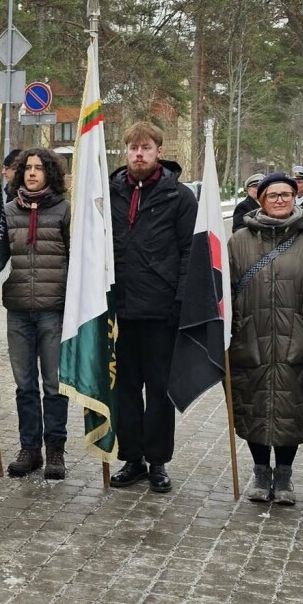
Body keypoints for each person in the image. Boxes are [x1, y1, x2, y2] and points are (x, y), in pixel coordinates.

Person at [228, 172, 303, 504]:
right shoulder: (239, 242)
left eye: (286, 194)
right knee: (255, 407)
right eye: (272, 195)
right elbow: (222, 291)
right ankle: (261, 472)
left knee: (291, 409)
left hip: (300, 343)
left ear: (295, 197)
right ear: (260, 200)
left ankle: (284, 477)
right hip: (252, 340)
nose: (280, 200)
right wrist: (223, 333)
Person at [108, 121, 197, 493]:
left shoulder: (179, 197)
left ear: (159, 151)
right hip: (119, 312)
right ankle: (132, 458)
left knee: (159, 390)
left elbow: (190, 252)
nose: (139, 154)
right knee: (124, 389)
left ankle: (157, 460)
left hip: (160, 312)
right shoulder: (108, 193)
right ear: (125, 152)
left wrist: (179, 302)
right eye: (133, 148)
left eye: (146, 147)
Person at [2, 148, 71, 479]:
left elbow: (74, 257)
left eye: (39, 168)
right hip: (17, 311)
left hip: (52, 311)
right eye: (27, 168)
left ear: (50, 173)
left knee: (54, 384)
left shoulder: (64, 211)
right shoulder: (6, 212)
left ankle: (55, 449)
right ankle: (30, 449)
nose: (31, 173)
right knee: (24, 385)